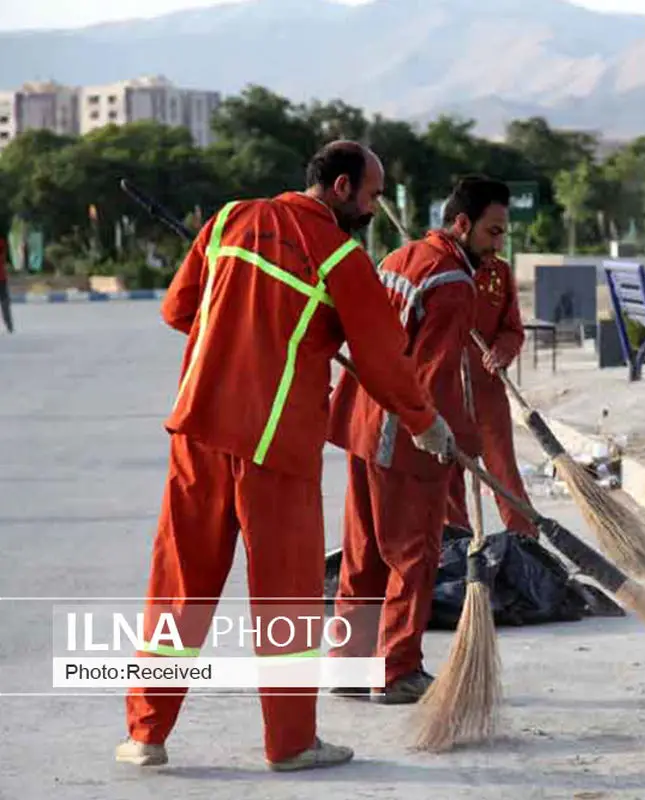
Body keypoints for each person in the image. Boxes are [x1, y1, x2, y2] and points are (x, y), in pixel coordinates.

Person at [118, 140, 455, 771]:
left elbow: (178, 311)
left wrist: (245, 326)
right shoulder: (341, 260)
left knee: (178, 589)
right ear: (341, 187)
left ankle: (146, 735)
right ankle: (292, 744)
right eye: (374, 195)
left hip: (199, 431)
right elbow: (385, 360)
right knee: (286, 602)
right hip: (274, 449)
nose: (375, 209)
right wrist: (426, 423)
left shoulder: (226, 221)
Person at [326, 175, 510, 704]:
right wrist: (465, 441)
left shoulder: (401, 259)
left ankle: (347, 665)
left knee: (363, 556)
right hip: (403, 436)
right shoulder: (453, 283)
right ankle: (397, 670)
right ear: (461, 225)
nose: (498, 246)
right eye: (493, 232)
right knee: (414, 555)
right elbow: (433, 379)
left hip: (362, 421)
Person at [443, 252, 538, 539]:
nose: (497, 243)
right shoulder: (439, 267)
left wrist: (503, 350)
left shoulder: (499, 272)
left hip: (487, 391)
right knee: (447, 479)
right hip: (443, 390)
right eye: (491, 232)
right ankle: (458, 548)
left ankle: (526, 543)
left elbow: (513, 329)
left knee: (504, 472)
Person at [0, 233, 12, 334]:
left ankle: (9, 325)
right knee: (5, 302)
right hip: (2, 277)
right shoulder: (2, 242)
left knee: (5, 302)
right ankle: (9, 326)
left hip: (1, 277)